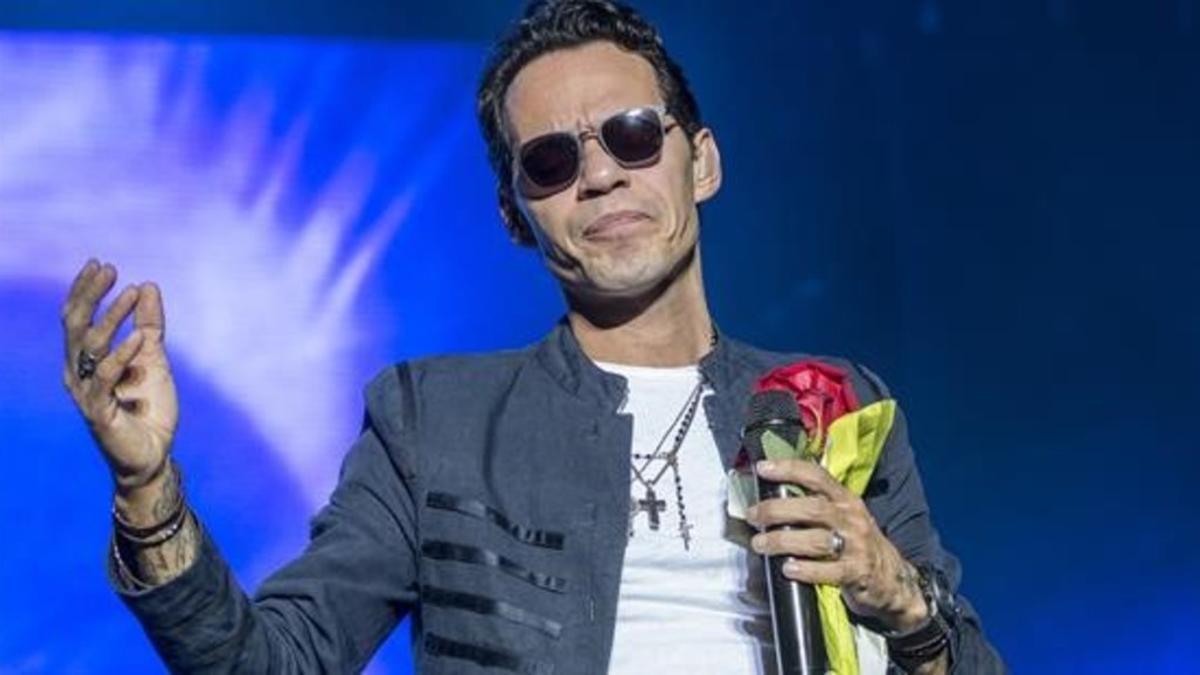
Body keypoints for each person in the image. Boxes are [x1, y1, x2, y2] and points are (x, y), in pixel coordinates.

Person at [60, 1, 1004, 672]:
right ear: (518, 214)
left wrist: (904, 602)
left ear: (700, 160)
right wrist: (149, 492)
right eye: (551, 160)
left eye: (632, 135)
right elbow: (270, 663)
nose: (599, 176)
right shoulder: (433, 420)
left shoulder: (835, 399)